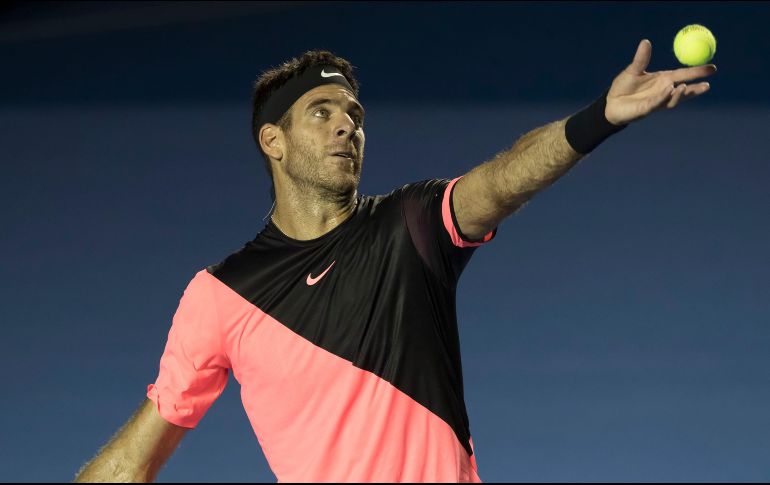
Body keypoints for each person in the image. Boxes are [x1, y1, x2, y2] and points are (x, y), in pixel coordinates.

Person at [74, 42, 716, 483]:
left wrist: (598, 118)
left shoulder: (409, 228)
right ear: (273, 140)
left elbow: (500, 182)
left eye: (354, 115)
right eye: (320, 114)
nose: (345, 127)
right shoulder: (221, 295)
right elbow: (135, 458)